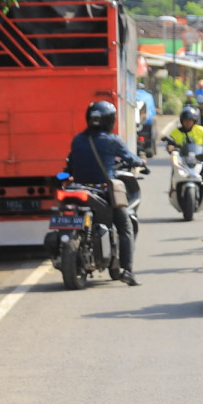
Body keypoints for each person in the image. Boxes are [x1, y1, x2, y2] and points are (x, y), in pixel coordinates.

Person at [65, 100, 145, 286]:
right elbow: (131, 158)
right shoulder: (112, 141)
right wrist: (141, 162)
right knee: (126, 226)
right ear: (110, 120)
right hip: (102, 191)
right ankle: (127, 271)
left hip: (77, 188)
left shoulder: (78, 139)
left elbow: (70, 165)